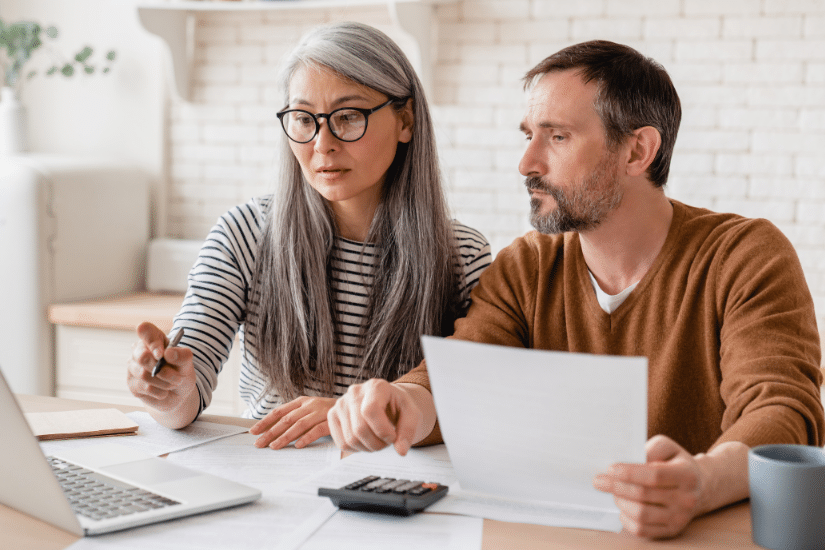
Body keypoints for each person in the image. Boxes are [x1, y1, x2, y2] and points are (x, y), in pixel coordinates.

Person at [327, 40, 824, 539]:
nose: (526, 163)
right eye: (528, 136)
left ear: (637, 151)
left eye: (557, 137)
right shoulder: (527, 265)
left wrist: (700, 481)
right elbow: (459, 377)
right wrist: (398, 403)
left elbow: (782, 414)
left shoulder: (743, 255)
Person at [125, 22, 491, 451]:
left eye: (349, 117)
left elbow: (472, 403)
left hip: (398, 486)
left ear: (405, 120)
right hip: (274, 476)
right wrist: (167, 387)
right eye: (303, 119)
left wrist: (345, 417)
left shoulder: (462, 255)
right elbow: (188, 388)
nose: (323, 144)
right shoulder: (246, 233)